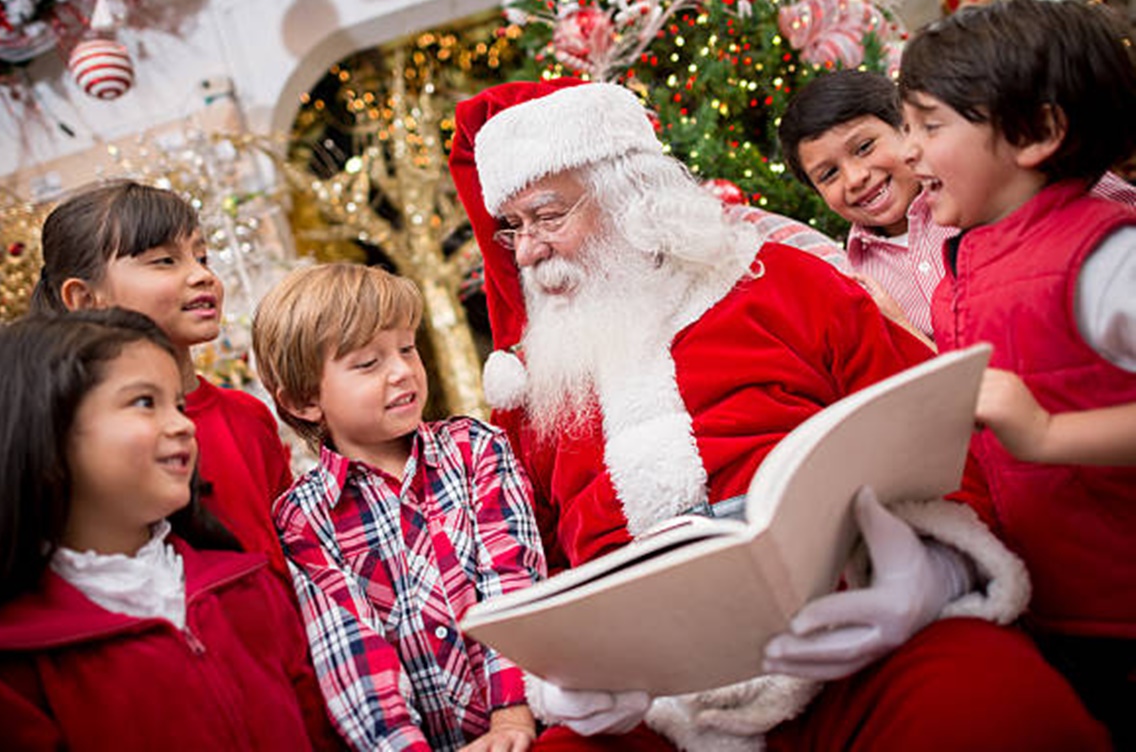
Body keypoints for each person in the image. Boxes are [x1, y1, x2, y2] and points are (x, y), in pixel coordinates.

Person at [448, 77, 1109, 751]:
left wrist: (933, 570)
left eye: (548, 217)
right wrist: (568, 673)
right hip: (660, 708)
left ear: (627, 194)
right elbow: (530, 561)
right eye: (514, 228)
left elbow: (935, 435)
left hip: (856, 643)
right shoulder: (534, 393)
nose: (527, 250)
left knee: (994, 709)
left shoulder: (786, 284)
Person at [0, 309, 342, 750]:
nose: (183, 424)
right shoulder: (8, 664)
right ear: (44, 429)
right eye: (145, 402)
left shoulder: (248, 586)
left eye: (179, 405)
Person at [898, 0, 1136, 747]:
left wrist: (1048, 432)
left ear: (1036, 132)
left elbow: (1031, 425)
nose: (908, 152)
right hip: (1050, 607)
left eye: (930, 125)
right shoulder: (959, 270)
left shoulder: (1105, 257)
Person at [250, 263, 546, 752]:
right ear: (305, 400)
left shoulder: (476, 450)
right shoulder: (303, 520)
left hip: (533, 726)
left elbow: (510, 580)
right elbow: (352, 656)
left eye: (407, 348)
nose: (403, 370)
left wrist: (512, 718)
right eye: (368, 363)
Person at [30, 180, 293, 581]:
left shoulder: (248, 417)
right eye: (165, 261)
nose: (201, 276)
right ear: (85, 299)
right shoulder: (81, 444)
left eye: (202, 258)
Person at [779, 68, 1136, 343]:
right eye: (828, 174)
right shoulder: (858, 279)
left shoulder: (980, 189)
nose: (855, 177)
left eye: (864, 147)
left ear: (907, 129)